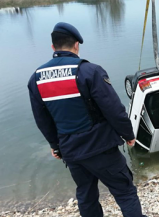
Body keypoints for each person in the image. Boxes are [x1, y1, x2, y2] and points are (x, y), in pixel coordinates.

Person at [28, 22, 145, 217]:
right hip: (101, 148)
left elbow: (42, 119)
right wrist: (128, 134)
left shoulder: (36, 79)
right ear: (76, 45)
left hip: (72, 152)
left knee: (86, 194)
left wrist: (55, 145)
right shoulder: (89, 71)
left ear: (52, 47)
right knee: (125, 192)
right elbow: (114, 109)